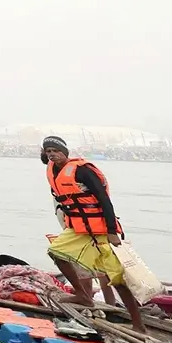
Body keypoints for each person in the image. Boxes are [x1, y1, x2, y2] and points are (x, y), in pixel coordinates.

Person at [41, 135, 144, 332]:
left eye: (56, 150)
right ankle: (83, 295)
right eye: (49, 151)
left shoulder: (82, 171)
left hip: (102, 229)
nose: (53, 154)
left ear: (65, 151)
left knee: (117, 278)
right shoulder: (53, 169)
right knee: (55, 252)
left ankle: (139, 325)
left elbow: (105, 201)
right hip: (79, 229)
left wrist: (112, 231)